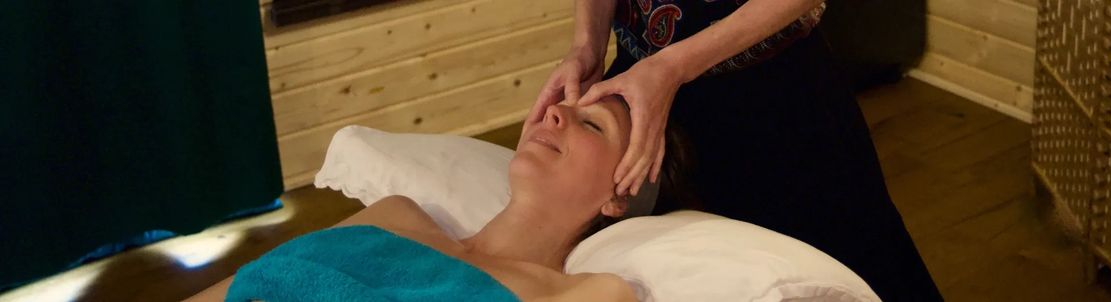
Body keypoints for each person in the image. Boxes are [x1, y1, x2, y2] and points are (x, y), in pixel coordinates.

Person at [526, 0, 943, 300]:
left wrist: (674, 66)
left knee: (860, 264)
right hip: (640, 85)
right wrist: (587, 44)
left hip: (773, 101)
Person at [189, 97, 639, 301]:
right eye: (562, 105)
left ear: (619, 197)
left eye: (593, 125)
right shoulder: (394, 214)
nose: (556, 111)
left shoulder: (590, 294)